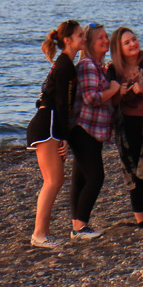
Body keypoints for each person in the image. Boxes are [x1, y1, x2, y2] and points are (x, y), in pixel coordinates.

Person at [26, 19, 85, 249]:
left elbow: (52, 99)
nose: (84, 39)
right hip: (48, 123)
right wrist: (63, 137)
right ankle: (39, 234)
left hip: (45, 121)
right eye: (80, 36)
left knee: (54, 180)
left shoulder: (63, 64)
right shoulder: (65, 67)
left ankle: (43, 233)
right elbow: (62, 105)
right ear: (68, 40)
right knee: (53, 180)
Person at [107, 27, 143, 227]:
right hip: (125, 127)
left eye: (133, 39)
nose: (133, 44)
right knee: (132, 172)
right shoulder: (113, 70)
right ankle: (141, 221)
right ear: (118, 49)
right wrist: (119, 93)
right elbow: (109, 102)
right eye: (126, 42)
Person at [68, 23, 122, 240]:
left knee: (80, 177)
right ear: (89, 43)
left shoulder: (97, 66)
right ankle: (80, 227)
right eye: (100, 38)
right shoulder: (88, 65)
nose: (106, 41)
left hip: (90, 129)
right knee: (96, 176)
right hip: (84, 128)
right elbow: (92, 98)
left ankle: (77, 225)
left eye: (106, 37)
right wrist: (114, 89)